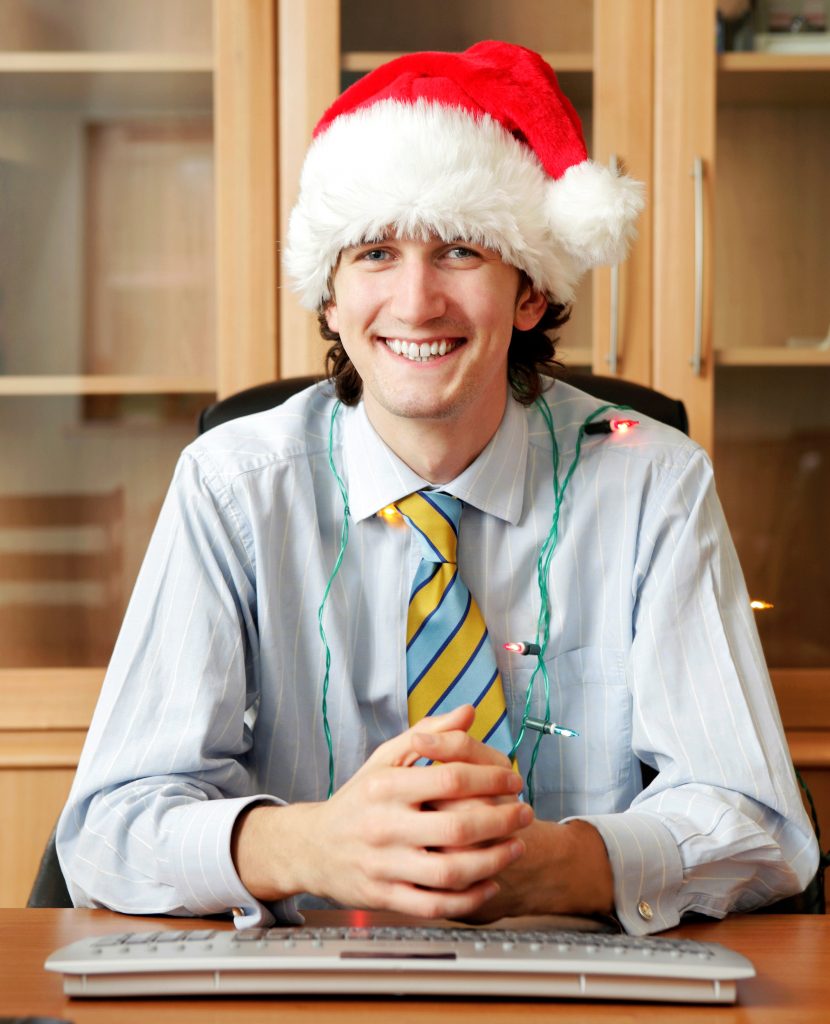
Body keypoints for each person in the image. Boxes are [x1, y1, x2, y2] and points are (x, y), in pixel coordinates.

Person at [57, 41, 818, 936]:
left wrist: (555, 868)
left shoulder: (655, 482)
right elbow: (106, 828)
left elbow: (760, 821)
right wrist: (311, 848)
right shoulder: (232, 485)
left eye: (459, 250)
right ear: (331, 297)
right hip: (297, 987)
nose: (417, 304)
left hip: (578, 980)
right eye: (375, 252)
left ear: (528, 292)